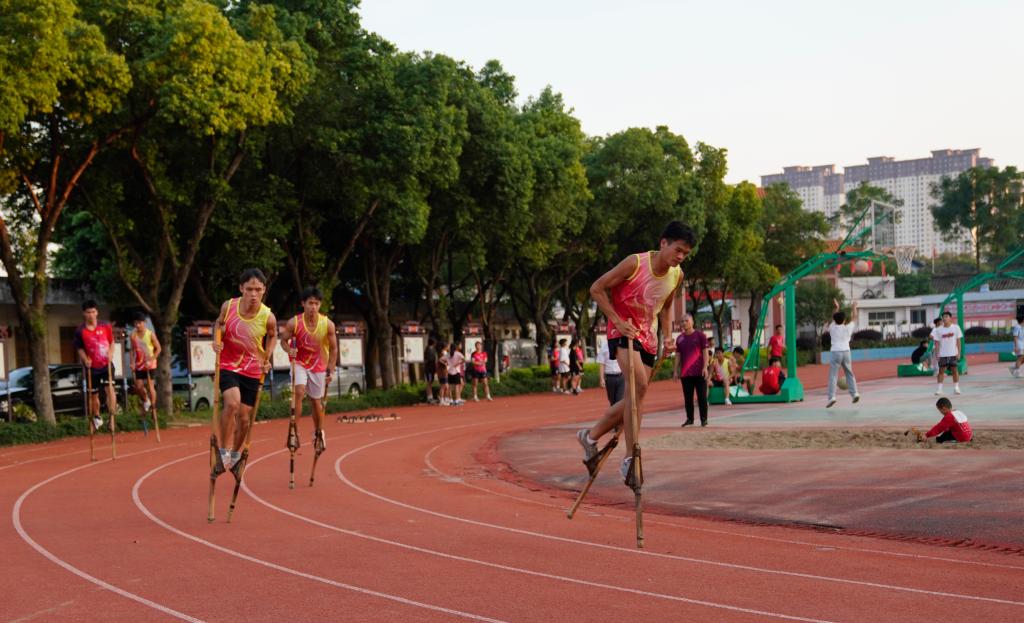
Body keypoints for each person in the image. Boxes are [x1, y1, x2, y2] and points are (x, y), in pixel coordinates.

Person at [576, 221, 696, 484]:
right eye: (678, 250)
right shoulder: (635, 264)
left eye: (685, 253)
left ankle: (590, 435)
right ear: (663, 242)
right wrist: (617, 321)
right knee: (638, 387)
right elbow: (596, 288)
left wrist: (667, 337)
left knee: (635, 397)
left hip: (649, 338)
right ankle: (631, 458)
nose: (680, 257)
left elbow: (665, 307)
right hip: (623, 333)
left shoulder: (678, 275)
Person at [213, 268, 277, 470]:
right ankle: (223, 450)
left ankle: (235, 455)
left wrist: (268, 356)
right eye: (249, 289)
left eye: (258, 289)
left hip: (252, 369)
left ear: (264, 290)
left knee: (244, 418)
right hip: (229, 364)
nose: (253, 294)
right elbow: (219, 323)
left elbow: (273, 335)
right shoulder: (229, 306)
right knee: (232, 403)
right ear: (241, 288)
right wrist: (216, 340)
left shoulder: (268, 316)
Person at [278, 287, 337, 454]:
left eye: (317, 304)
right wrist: (289, 350)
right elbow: (283, 341)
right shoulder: (294, 323)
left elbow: (333, 350)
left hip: (319, 365)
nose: (313, 307)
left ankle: (319, 432)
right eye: (310, 303)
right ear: (303, 303)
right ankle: (293, 432)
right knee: (299, 391)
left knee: (315, 402)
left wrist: (330, 371)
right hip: (300, 363)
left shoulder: (327, 324)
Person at [75, 300, 118, 431]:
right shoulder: (80, 331)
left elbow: (111, 342)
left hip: (106, 365)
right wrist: (84, 359)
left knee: (109, 390)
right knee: (93, 396)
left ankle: (112, 418)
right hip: (92, 368)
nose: (91, 315)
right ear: (84, 313)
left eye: (93, 312)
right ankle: (97, 417)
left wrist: (111, 353)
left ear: (97, 312)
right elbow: (80, 348)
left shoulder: (105, 326)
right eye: (88, 312)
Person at [826, 298, 860, 408]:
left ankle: (832, 397)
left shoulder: (832, 327)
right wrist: (854, 307)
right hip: (846, 352)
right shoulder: (847, 328)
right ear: (844, 320)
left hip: (835, 352)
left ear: (834, 320)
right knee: (849, 373)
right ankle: (854, 393)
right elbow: (855, 318)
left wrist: (836, 307)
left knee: (833, 376)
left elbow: (834, 316)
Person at [675, 315, 709, 423]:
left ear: (692, 322)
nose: (684, 323)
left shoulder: (700, 336)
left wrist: (705, 367)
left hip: (699, 372)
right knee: (688, 398)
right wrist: (676, 370)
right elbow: (678, 355)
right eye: (682, 321)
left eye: (686, 320)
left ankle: (704, 419)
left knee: (702, 397)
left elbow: (705, 353)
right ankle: (690, 419)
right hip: (685, 374)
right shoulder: (679, 338)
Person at [130, 312, 161, 417]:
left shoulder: (150, 334)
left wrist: (151, 359)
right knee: (138, 386)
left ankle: (153, 407)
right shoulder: (133, 335)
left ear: (144, 322)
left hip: (150, 364)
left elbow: (158, 349)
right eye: (135, 323)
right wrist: (132, 362)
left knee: (150, 386)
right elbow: (132, 350)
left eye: (139, 323)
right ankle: (145, 400)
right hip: (139, 364)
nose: (137, 325)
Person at [932, 311, 963, 396]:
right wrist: (937, 354)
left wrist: (959, 353)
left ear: (950, 318)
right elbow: (936, 343)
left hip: (953, 353)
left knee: (954, 370)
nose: (944, 318)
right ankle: (939, 389)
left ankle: (956, 388)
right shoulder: (938, 330)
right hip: (942, 354)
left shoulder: (956, 328)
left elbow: (958, 341)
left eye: (946, 316)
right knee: (941, 371)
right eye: (943, 317)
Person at [595, 338, 624, 406]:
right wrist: (602, 379)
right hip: (610, 378)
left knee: (619, 400)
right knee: (612, 401)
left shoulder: (622, 345)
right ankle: (614, 415)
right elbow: (602, 364)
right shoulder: (604, 347)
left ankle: (619, 415)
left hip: (621, 377)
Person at [424, 338, 438, 403]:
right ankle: (429, 397)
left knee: (430, 383)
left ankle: (430, 396)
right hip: (429, 369)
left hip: (430, 369)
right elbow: (430, 360)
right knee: (429, 382)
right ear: (433, 343)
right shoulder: (429, 350)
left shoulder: (431, 349)